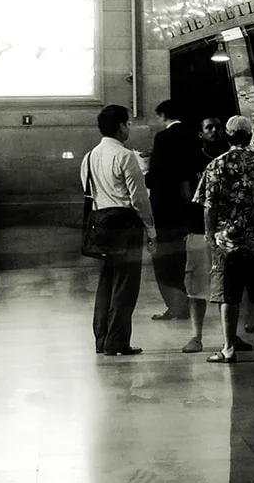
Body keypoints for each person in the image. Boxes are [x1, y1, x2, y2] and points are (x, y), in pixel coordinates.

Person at [197, 116, 254, 364]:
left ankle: (228, 348)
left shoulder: (217, 165)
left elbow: (209, 205)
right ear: (250, 134)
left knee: (228, 296)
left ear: (227, 135)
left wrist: (210, 234)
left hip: (228, 241)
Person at [82, 104, 154, 356]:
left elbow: (89, 191)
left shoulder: (89, 156)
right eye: (128, 124)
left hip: (101, 223)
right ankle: (117, 341)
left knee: (106, 282)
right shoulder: (126, 156)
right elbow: (139, 199)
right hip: (126, 224)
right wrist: (151, 230)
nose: (129, 128)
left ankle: (101, 339)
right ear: (121, 126)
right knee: (126, 285)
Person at [146, 101, 202, 323]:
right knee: (183, 259)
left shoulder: (163, 138)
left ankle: (176, 306)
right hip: (188, 207)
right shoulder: (193, 136)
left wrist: (145, 173)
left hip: (165, 207)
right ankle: (187, 304)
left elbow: (158, 174)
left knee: (164, 260)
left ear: (163, 116)